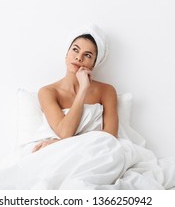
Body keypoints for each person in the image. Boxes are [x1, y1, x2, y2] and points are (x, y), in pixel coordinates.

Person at [32, 24, 119, 153]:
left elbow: (110, 137)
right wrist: (83, 91)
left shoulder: (107, 91)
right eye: (75, 50)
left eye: (88, 55)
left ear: (94, 64)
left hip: (97, 153)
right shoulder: (47, 92)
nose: (79, 58)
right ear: (66, 54)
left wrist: (60, 144)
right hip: (61, 154)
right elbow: (64, 132)